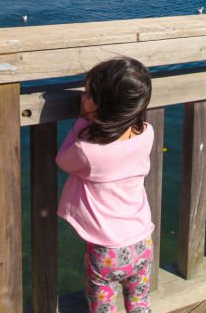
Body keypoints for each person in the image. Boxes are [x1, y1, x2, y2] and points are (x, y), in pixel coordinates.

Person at [56, 57, 155, 312]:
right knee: (140, 303)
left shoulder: (88, 151)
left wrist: (82, 122)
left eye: (89, 94)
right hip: (142, 241)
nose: (83, 97)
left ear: (106, 108)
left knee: (102, 308)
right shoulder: (147, 133)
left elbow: (63, 160)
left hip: (107, 250)